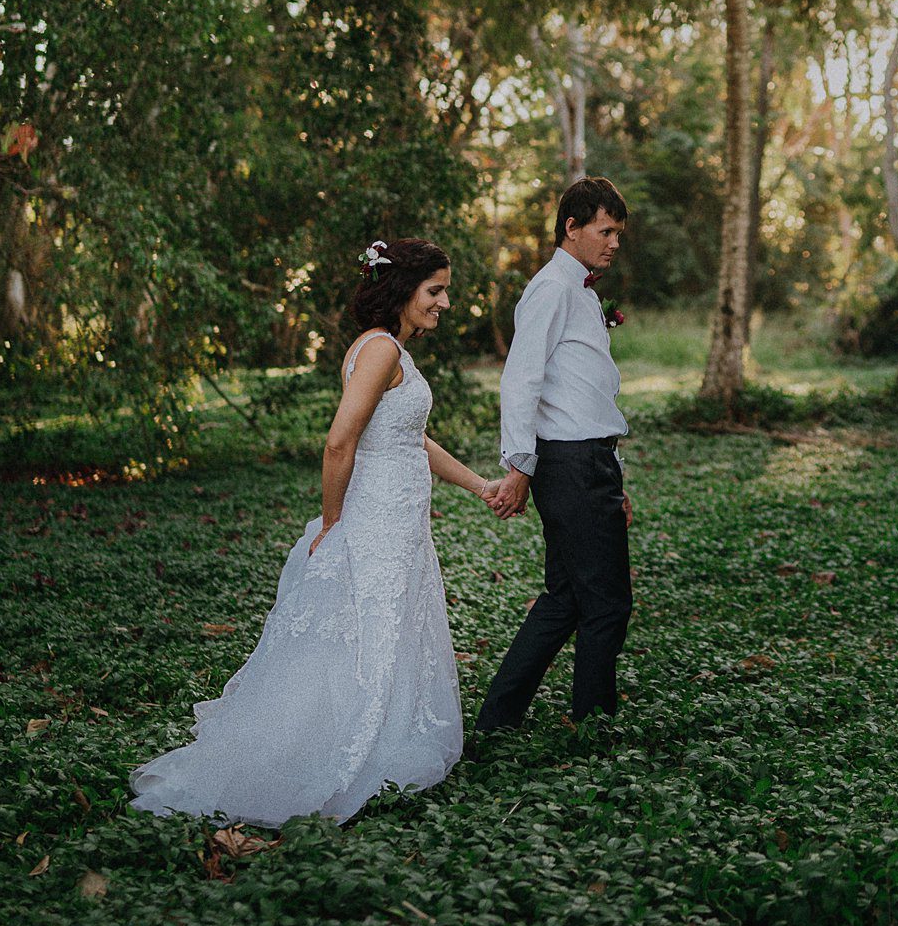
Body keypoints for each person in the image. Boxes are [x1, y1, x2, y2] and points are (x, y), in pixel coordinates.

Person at [131, 237, 500, 825]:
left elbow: (409, 440)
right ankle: (343, 748)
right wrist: (332, 523)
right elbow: (338, 442)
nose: (445, 303)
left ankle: (386, 731)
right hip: (375, 519)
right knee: (368, 630)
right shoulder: (380, 351)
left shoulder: (390, 352)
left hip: (399, 520)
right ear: (403, 290)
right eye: (436, 291)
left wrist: (480, 485)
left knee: (385, 626)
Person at [473, 176, 635, 730]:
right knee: (607, 603)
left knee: (565, 598)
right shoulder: (552, 288)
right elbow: (521, 380)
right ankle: (594, 727)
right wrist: (519, 466)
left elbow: (587, 394)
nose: (614, 242)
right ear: (572, 227)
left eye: (618, 233)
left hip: (589, 462)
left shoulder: (580, 291)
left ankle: (498, 719)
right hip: (571, 465)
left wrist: (616, 475)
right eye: (605, 231)